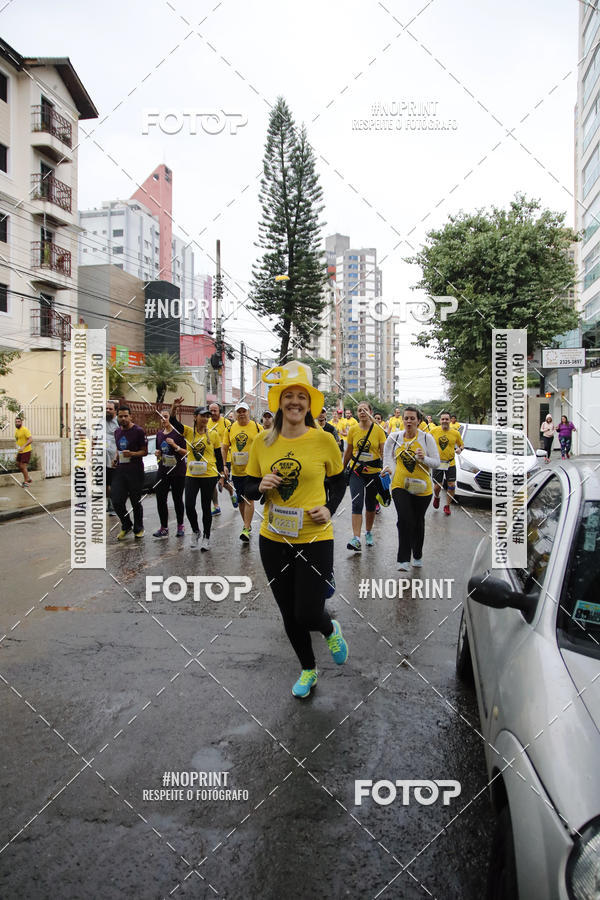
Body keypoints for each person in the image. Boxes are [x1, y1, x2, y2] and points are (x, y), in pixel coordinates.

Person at [245, 361, 348, 698]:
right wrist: (259, 484)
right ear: (279, 402)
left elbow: (339, 478)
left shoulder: (323, 440)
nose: (294, 402)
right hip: (273, 540)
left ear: (309, 404)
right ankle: (308, 669)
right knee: (289, 613)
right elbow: (245, 486)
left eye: (300, 396)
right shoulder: (262, 442)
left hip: (315, 537)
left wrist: (329, 508)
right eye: (288, 395)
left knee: (307, 612)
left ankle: (329, 627)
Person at [383, 406, 440, 571]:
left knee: (417, 522)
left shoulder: (426, 438)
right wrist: (388, 469)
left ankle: (417, 555)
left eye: (412, 418)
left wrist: (423, 458)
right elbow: (387, 457)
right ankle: (403, 560)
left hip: (423, 488)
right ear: (402, 420)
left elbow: (436, 462)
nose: (408, 421)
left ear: (419, 421)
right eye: (406, 418)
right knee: (404, 519)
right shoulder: (394, 438)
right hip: (400, 485)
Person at [170, 399, 224, 550]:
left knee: (206, 507)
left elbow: (218, 455)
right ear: (195, 417)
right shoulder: (188, 432)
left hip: (208, 475)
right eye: (202, 416)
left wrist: (221, 474)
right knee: (189, 505)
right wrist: (174, 407)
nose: (206, 419)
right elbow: (173, 421)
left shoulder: (213, 434)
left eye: (207, 416)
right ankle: (196, 531)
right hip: (192, 475)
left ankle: (206, 537)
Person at [343, 401, 387, 550]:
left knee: (370, 504)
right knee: (356, 503)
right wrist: (342, 470)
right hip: (356, 471)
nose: (362, 412)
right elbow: (348, 451)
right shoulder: (353, 430)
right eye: (359, 410)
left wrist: (385, 469)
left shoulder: (378, 430)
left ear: (370, 412)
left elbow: (384, 452)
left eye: (365, 410)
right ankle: (356, 538)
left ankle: (368, 532)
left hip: (374, 473)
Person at [221, 402, 263, 542]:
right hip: (237, 471)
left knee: (249, 498)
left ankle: (245, 527)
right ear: (235, 413)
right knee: (241, 501)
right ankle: (247, 524)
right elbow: (224, 448)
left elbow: (265, 446)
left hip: (252, 471)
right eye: (239, 411)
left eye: (243, 411)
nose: (241, 414)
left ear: (248, 412)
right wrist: (224, 465)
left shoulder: (257, 427)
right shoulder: (230, 428)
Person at [111, 405, 148, 540]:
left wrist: (132, 453)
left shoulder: (138, 431)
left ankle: (139, 528)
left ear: (131, 416)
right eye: (121, 416)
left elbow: (144, 451)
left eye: (126, 416)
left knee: (135, 501)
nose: (123, 418)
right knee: (116, 500)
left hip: (135, 471)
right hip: (120, 471)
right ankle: (126, 525)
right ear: (117, 417)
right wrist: (115, 459)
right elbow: (118, 449)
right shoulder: (117, 432)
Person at [153, 409, 187, 538]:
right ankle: (164, 527)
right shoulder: (159, 434)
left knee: (177, 499)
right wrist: (158, 454)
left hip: (177, 471)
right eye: (161, 417)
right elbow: (160, 453)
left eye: (166, 416)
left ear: (169, 418)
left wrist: (175, 446)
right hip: (163, 470)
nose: (163, 419)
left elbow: (186, 452)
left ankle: (180, 526)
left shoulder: (178, 434)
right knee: (160, 499)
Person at [431, 411, 464, 516]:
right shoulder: (434, 431)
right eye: (443, 419)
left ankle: (447, 506)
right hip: (438, 462)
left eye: (447, 419)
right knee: (437, 486)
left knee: (451, 485)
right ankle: (436, 497)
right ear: (440, 420)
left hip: (450, 462)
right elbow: (426, 442)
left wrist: (459, 449)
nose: (445, 421)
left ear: (450, 420)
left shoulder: (455, 433)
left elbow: (462, 445)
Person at [207, 402, 237, 516]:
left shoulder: (226, 422)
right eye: (211, 410)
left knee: (223, 483)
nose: (213, 413)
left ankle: (232, 493)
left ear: (220, 411)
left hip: (225, 458)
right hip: (211, 459)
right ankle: (216, 506)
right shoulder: (207, 423)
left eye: (215, 410)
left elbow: (232, 440)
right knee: (211, 484)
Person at [105, 400, 119, 514]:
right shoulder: (101, 422)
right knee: (105, 484)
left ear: (115, 411)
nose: (107, 411)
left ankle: (114, 505)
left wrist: (117, 456)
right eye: (106, 408)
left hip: (115, 459)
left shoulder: (118, 422)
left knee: (114, 483)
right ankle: (109, 502)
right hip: (102, 459)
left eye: (110, 409)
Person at [14, 415, 33, 486]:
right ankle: (28, 478)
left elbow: (31, 439)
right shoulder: (16, 431)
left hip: (26, 450)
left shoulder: (25, 430)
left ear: (21, 422)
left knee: (22, 466)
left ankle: (26, 482)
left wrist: (23, 446)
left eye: (19, 422)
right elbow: (17, 439)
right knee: (18, 464)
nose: (17, 423)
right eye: (16, 422)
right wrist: (17, 449)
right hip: (20, 451)